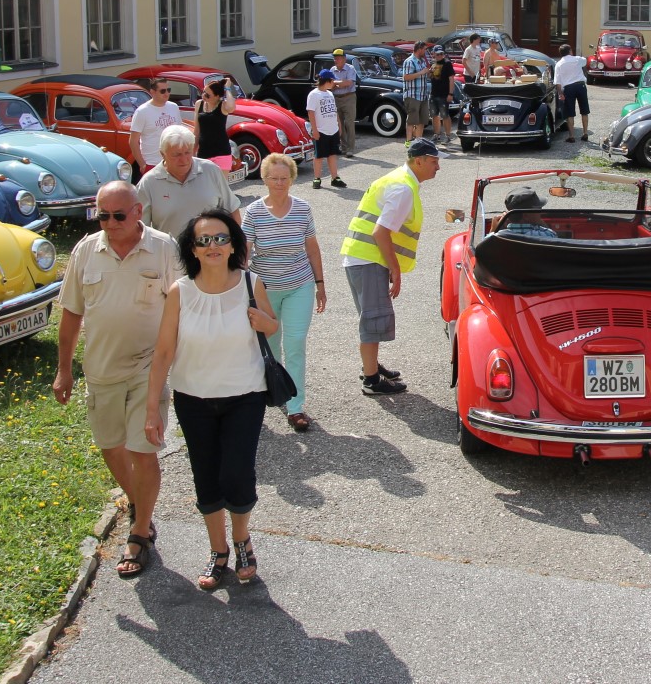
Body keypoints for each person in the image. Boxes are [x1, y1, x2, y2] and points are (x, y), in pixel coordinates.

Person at [52, 180, 182, 580]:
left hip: (149, 368)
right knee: (111, 447)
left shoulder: (164, 249)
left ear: (138, 212)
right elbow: (72, 312)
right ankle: (139, 503)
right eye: (102, 215)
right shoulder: (86, 251)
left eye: (118, 215)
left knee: (143, 450)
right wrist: (63, 368)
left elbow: (184, 307)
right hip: (101, 369)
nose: (109, 223)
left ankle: (139, 531)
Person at [144, 208, 279, 589]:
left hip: (245, 395)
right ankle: (218, 551)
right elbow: (164, 352)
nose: (213, 246)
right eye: (204, 240)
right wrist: (153, 407)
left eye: (221, 238)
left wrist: (265, 323)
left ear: (234, 243)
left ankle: (241, 539)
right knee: (206, 476)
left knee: (236, 473)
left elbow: (272, 325)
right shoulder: (180, 292)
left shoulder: (252, 283)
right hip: (193, 398)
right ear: (193, 248)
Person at [341, 138, 441, 396]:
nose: (437, 167)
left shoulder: (399, 179)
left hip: (359, 257)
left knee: (370, 317)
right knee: (373, 321)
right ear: (418, 161)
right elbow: (380, 232)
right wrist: (395, 270)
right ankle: (371, 380)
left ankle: (370, 365)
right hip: (369, 260)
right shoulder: (404, 189)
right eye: (433, 161)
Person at [243, 153, 325, 431]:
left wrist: (320, 284)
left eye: (284, 178)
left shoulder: (302, 209)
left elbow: (312, 249)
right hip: (265, 290)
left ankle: (295, 406)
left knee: (295, 343)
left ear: (292, 179)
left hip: (299, 284)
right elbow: (245, 253)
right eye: (273, 178)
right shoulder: (253, 212)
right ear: (265, 180)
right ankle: (277, 388)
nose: (279, 183)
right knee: (270, 344)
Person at [138, 124, 242, 238]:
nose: (183, 160)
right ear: (162, 154)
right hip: (170, 254)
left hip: (211, 251)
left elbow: (232, 209)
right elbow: (140, 229)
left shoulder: (210, 171)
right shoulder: (149, 183)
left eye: (187, 152)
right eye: (176, 154)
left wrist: (238, 247)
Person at [129, 77, 190, 175]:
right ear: (152, 92)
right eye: (162, 91)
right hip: (152, 163)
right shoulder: (142, 111)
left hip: (173, 162)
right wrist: (142, 164)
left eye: (168, 90)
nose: (167, 94)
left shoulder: (173, 107)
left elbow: (179, 133)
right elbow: (133, 141)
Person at [306, 70, 346, 190]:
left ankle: (335, 177)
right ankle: (317, 178)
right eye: (333, 80)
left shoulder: (330, 94)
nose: (334, 82)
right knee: (319, 156)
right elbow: (311, 112)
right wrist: (315, 130)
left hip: (332, 129)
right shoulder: (314, 95)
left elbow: (334, 111)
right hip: (321, 130)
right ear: (327, 81)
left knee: (332, 154)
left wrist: (338, 125)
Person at [554, 42, 591, 142]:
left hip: (569, 88)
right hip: (580, 85)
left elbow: (557, 83)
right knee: (584, 110)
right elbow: (585, 61)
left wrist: (560, 94)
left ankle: (571, 136)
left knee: (570, 112)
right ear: (570, 51)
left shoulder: (558, 64)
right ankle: (585, 133)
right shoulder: (577, 59)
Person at [329, 50, 361, 156]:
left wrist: (336, 83)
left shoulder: (350, 68)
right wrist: (339, 83)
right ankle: (343, 147)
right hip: (336, 98)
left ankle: (350, 149)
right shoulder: (332, 70)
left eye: (338, 58)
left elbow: (348, 83)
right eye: (334, 58)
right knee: (339, 124)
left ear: (344, 59)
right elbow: (330, 85)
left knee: (349, 123)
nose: (335, 60)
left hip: (349, 98)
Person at [195, 78, 234, 162]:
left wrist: (227, 88)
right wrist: (193, 152)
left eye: (208, 95)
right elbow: (196, 131)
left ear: (217, 97)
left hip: (222, 153)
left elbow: (231, 107)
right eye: (203, 92)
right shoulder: (199, 104)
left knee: (220, 176)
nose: (203, 96)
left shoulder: (223, 106)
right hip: (203, 153)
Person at [400, 40, 432, 141]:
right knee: (411, 120)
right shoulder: (409, 61)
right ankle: (408, 141)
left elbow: (424, 75)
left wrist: (429, 72)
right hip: (412, 95)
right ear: (419, 49)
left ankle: (419, 141)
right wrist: (421, 72)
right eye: (424, 50)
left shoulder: (422, 61)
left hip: (423, 95)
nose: (425, 52)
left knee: (422, 120)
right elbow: (406, 77)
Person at [428, 46, 455, 146]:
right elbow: (430, 77)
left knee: (445, 115)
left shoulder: (447, 64)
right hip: (434, 93)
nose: (439, 56)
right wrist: (429, 72)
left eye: (441, 54)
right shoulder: (432, 63)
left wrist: (450, 94)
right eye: (437, 54)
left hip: (444, 94)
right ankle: (436, 134)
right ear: (434, 54)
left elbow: (451, 79)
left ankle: (448, 136)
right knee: (434, 115)